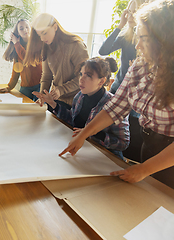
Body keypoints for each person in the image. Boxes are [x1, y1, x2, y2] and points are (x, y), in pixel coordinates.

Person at [59, 0, 174, 189]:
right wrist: (84, 135)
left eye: (143, 38)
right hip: (149, 144)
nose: (137, 45)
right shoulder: (139, 66)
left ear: (164, 40)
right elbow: (114, 108)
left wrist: (145, 169)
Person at [34, 57, 129, 159]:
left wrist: (92, 133)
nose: (81, 79)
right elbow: (73, 120)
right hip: (82, 151)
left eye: (88, 76)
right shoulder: (80, 96)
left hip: (104, 157)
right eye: (81, 74)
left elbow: (123, 143)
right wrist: (53, 104)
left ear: (101, 81)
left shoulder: (114, 105)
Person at [99, 0, 148, 162]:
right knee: (112, 127)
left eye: (136, 11)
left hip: (138, 94)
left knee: (133, 131)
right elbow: (103, 50)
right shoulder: (126, 36)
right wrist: (120, 25)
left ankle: (129, 163)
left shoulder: (150, 39)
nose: (132, 15)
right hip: (118, 88)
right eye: (130, 11)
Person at [24, 13, 89, 109]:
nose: (42, 39)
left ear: (55, 27)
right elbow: (46, 76)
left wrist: (62, 89)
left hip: (76, 102)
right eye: (39, 35)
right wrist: (42, 96)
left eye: (44, 33)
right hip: (56, 100)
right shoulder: (47, 47)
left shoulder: (76, 45)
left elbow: (84, 77)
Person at [0, 19, 42, 101]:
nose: (25, 30)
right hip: (25, 87)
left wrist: (16, 44)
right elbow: (16, 70)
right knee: (21, 109)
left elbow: (28, 59)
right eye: (21, 28)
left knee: (38, 109)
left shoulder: (37, 44)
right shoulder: (18, 49)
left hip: (40, 86)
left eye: (27, 27)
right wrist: (9, 87)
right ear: (18, 33)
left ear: (31, 28)